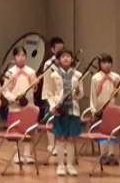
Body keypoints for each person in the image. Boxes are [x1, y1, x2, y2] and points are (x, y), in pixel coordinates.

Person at [44, 48, 83, 176]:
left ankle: (70, 165)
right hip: (60, 110)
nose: (66, 58)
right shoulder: (54, 75)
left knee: (71, 138)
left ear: (72, 59)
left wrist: (77, 91)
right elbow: (50, 93)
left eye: (68, 56)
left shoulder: (78, 75)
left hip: (73, 110)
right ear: (58, 60)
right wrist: (53, 105)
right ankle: (60, 165)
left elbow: (80, 95)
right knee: (60, 138)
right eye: (63, 56)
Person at [2, 46, 37, 163]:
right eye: (18, 56)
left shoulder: (31, 72)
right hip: (15, 106)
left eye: (23, 55)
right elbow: (5, 90)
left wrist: (35, 86)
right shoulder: (9, 72)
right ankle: (16, 154)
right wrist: (14, 99)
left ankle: (27, 153)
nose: (21, 58)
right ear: (14, 57)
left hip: (28, 104)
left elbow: (34, 89)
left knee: (28, 130)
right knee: (16, 130)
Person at [90, 53, 120, 165]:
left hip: (112, 107)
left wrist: (117, 91)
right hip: (100, 108)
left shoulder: (116, 77)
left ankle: (112, 154)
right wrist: (94, 110)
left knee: (113, 132)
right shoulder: (95, 78)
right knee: (102, 132)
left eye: (109, 62)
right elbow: (93, 95)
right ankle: (103, 154)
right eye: (104, 62)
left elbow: (118, 94)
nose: (107, 65)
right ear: (100, 64)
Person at [39, 37, 66, 155]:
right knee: (50, 119)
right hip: (51, 95)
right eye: (58, 48)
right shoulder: (49, 64)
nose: (61, 50)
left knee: (62, 120)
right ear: (52, 50)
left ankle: (61, 145)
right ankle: (51, 144)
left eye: (62, 48)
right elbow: (48, 82)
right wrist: (50, 98)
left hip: (63, 95)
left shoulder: (65, 62)